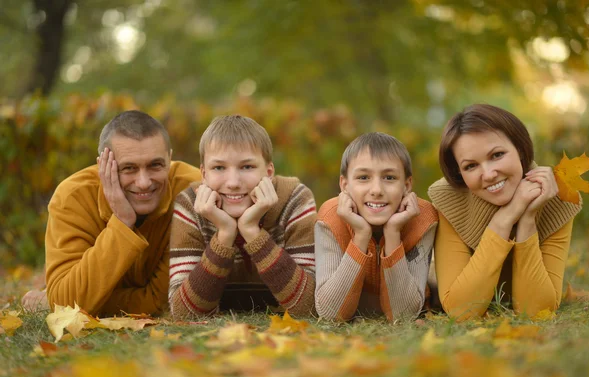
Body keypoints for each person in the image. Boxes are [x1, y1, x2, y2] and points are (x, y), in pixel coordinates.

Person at [32, 110, 201, 316]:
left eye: (155, 165)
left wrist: (91, 301)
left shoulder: (193, 192)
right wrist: (121, 223)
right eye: (129, 168)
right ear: (102, 166)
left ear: (170, 159)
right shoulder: (73, 197)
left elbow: (165, 301)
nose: (143, 182)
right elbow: (66, 304)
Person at [428, 104, 582, 321]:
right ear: (459, 173)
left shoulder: (556, 197)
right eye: (471, 166)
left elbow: (536, 312)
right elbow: (461, 310)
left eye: (497, 155)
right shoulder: (450, 200)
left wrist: (527, 219)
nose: (489, 174)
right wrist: (505, 218)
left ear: (519, 149)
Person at [168, 115, 317, 319]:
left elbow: (309, 307)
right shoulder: (191, 205)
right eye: (219, 168)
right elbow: (184, 314)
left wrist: (251, 232)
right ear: (204, 174)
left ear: (269, 172)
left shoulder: (294, 199)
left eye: (247, 167)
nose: (233, 183)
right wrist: (225, 234)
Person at [314, 132, 439, 322]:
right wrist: (361, 235)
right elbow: (331, 313)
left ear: (406, 185)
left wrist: (393, 234)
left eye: (389, 178)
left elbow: (403, 315)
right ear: (344, 185)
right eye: (363, 177)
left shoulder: (422, 219)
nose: (377, 190)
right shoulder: (331, 218)